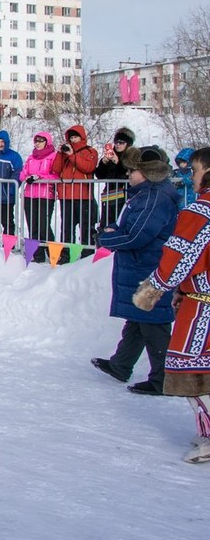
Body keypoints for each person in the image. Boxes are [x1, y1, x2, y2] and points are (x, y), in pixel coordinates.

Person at [136, 146, 210, 463]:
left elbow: (181, 254)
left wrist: (156, 288)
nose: (191, 176)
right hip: (198, 295)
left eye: (194, 170)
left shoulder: (200, 210)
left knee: (192, 369)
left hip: (203, 306)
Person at [91, 146, 181, 397]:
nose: (128, 174)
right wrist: (112, 231)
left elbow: (137, 235)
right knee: (138, 318)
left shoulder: (155, 197)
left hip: (150, 266)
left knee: (153, 323)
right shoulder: (145, 194)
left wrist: (106, 239)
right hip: (142, 264)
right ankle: (121, 364)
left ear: (147, 172)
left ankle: (163, 379)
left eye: (132, 170)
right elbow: (127, 226)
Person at [52, 124, 99, 257]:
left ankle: (87, 254)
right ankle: (66, 254)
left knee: (86, 227)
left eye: (75, 137)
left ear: (81, 137)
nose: (73, 140)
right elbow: (56, 168)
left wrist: (72, 156)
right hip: (66, 196)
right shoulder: (65, 153)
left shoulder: (90, 151)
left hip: (83, 196)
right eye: (71, 137)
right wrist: (61, 153)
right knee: (67, 228)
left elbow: (88, 167)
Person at [21, 132, 60, 261]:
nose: (38, 143)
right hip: (30, 195)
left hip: (45, 195)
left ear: (47, 142)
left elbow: (56, 175)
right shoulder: (31, 158)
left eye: (41, 141)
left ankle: (52, 254)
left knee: (44, 225)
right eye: (36, 141)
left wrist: (40, 177)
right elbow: (23, 174)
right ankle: (37, 255)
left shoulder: (53, 156)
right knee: (33, 225)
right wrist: (27, 177)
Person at [95, 127, 134, 229]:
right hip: (110, 194)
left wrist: (118, 163)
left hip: (125, 195)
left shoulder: (132, 155)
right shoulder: (111, 155)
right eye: (116, 142)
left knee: (121, 222)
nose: (118, 145)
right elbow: (99, 175)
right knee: (106, 223)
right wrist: (103, 163)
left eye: (121, 142)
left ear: (128, 144)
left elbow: (131, 173)